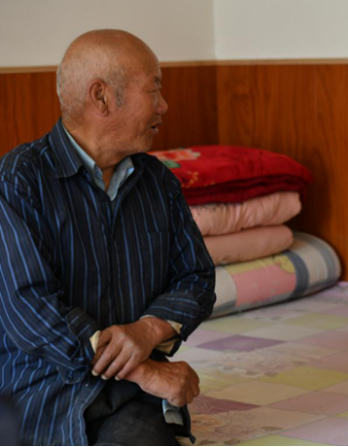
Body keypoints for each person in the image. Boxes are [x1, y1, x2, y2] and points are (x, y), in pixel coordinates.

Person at [0, 30, 216, 445]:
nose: (164, 105)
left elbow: (197, 277)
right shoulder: (18, 180)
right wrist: (142, 369)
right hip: (39, 393)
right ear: (101, 97)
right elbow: (29, 307)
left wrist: (148, 331)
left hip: (132, 399)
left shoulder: (158, 182)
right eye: (154, 88)